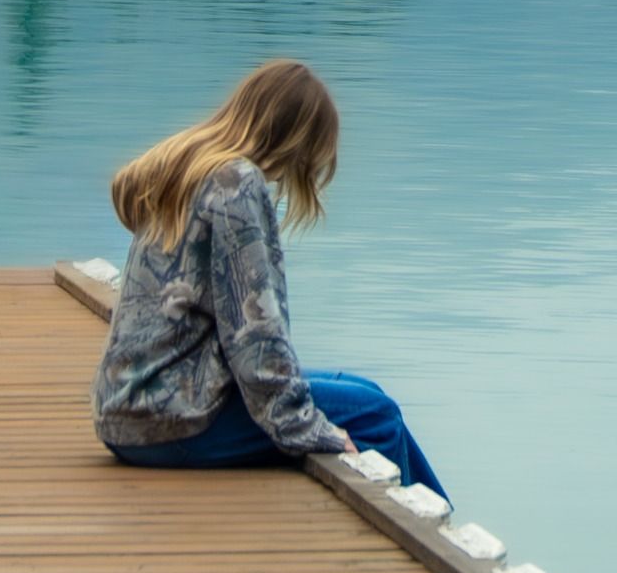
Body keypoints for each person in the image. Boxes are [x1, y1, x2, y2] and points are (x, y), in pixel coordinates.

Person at [92, 57, 446, 499]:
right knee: (376, 414)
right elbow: (256, 339)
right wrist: (316, 431)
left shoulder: (193, 170)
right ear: (295, 139)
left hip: (131, 411)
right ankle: (432, 540)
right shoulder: (235, 185)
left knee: (363, 391)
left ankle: (436, 517)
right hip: (171, 422)